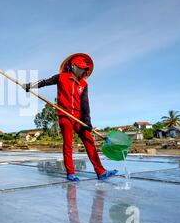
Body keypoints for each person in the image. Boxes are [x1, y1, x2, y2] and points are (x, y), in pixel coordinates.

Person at [23, 53, 117, 181]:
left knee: (89, 141)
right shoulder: (61, 77)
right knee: (68, 143)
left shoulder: (83, 85)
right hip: (65, 115)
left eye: (84, 68)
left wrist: (87, 122)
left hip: (79, 117)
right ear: (73, 66)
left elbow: (85, 104)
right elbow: (44, 82)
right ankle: (70, 173)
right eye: (80, 67)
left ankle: (100, 171)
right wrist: (30, 86)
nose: (83, 70)